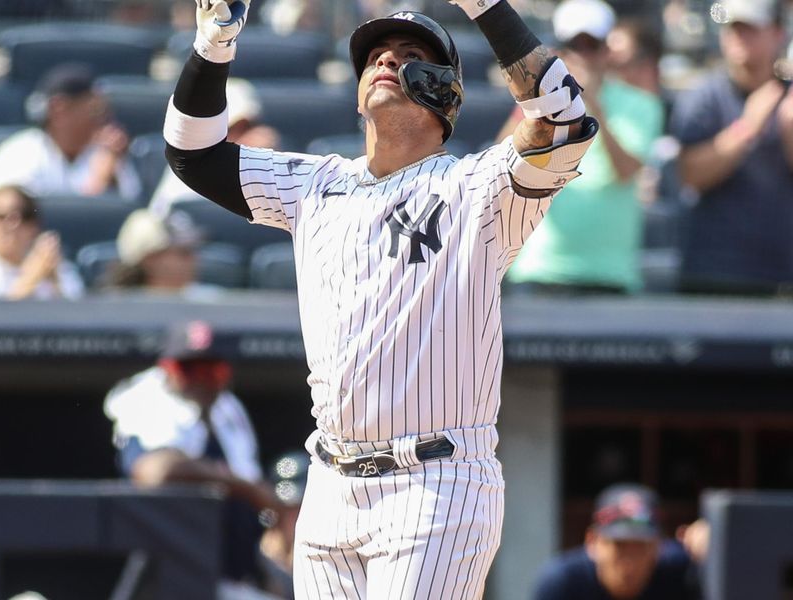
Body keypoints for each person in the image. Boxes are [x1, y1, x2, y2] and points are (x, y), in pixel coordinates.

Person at [163, 0, 597, 597]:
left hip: (437, 481)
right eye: (374, 56)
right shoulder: (315, 184)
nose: (386, 59)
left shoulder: (479, 187)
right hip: (331, 484)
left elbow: (566, 120)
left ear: (447, 92)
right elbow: (193, 152)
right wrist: (213, 47)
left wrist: (486, 8)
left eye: (411, 55)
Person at [103, 319, 285, 600]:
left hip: (230, 574)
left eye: (212, 371)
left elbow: (253, 492)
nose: (201, 380)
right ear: (167, 369)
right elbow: (154, 472)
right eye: (189, 370)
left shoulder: (229, 409)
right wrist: (244, 487)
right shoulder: (145, 397)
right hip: (166, 578)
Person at [500, 0, 665, 295]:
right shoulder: (536, 107)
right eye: (574, 46)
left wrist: (592, 104)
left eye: (593, 46)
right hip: (539, 270)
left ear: (606, 52)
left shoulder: (642, 104)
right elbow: (502, 167)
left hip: (610, 274)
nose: (583, 56)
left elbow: (627, 170)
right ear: (558, 51)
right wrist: (536, 104)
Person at [669, 0, 793, 296]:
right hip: (714, 274)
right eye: (733, 29)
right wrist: (747, 127)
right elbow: (690, 176)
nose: (738, 37)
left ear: (777, 33)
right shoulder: (703, 96)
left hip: (782, 275)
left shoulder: (789, 100)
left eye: (750, 29)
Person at [0, 63, 142, 201]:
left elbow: (124, 212)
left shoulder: (106, 153)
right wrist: (100, 179)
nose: (103, 118)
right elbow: (15, 221)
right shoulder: (20, 153)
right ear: (58, 109)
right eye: (95, 109)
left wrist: (110, 176)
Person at [532, 483, 702, 600]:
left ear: (659, 546)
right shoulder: (564, 582)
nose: (630, 561)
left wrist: (715, 548)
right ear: (592, 541)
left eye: (640, 547)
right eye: (619, 545)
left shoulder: (682, 573)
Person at [149, 78, 281, 217]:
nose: (245, 137)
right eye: (233, 129)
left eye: (246, 128)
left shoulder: (266, 159)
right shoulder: (191, 160)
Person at [103, 208, 224, 298]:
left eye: (193, 250)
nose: (194, 259)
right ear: (150, 258)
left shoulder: (211, 301)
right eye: (184, 252)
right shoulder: (116, 311)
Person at [0, 185, 84, 300]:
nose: (13, 223)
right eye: (1, 216)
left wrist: (55, 281)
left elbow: (78, 311)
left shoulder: (54, 263)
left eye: (25, 216)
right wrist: (31, 278)